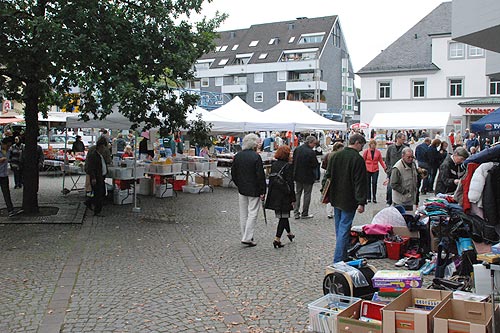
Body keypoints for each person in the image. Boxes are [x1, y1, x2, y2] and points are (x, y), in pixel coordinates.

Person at [327, 134, 367, 263]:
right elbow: (360, 182)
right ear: (357, 143)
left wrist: (326, 194)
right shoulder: (357, 159)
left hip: (335, 197)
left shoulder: (336, 156)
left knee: (340, 229)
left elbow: (328, 177)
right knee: (344, 229)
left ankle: (342, 255)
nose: (362, 148)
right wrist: (361, 202)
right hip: (349, 199)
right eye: (362, 145)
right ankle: (338, 260)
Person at [231, 133, 267, 247]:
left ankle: (245, 235)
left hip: (242, 188)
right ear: (254, 144)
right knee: (253, 213)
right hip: (254, 189)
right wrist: (263, 190)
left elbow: (234, 173)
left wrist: (239, 184)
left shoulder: (238, 156)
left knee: (243, 213)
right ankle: (247, 237)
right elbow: (260, 176)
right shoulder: (256, 157)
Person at [264, 145, 296, 248]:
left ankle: (289, 233)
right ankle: (277, 239)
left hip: (274, 194)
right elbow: (290, 183)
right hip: (284, 195)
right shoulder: (288, 166)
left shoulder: (274, 164)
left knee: (283, 215)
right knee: (283, 217)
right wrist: (293, 198)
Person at [292, 135, 319, 219]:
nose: (315, 145)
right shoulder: (311, 152)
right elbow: (315, 165)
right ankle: (305, 213)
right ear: (310, 142)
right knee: (307, 194)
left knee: (298, 194)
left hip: (297, 175)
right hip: (308, 176)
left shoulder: (297, 149)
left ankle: (296, 213)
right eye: (314, 143)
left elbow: (293, 161)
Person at [85, 137, 109, 216]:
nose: (104, 149)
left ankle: (89, 202)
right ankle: (97, 211)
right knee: (99, 194)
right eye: (103, 147)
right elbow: (91, 168)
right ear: (100, 147)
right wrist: (93, 177)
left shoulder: (99, 155)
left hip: (100, 177)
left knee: (101, 193)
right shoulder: (94, 155)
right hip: (97, 177)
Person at [390, 147, 419, 212]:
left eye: (412, 157)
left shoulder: (413, 164)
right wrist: (405, 192)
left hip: (410, 200)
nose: (410, 159)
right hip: (400, 201)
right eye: (408, 157)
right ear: (403, 156)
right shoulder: (397, 168)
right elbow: (393, 184)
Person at [321, 142, 344, 218]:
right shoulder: (338, 156)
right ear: (338, 148)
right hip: (335, 177)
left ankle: (329, 212)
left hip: (328, 177)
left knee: (329, 195)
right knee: (333, 195)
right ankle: (333, 212)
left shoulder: (328, 154)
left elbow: (324, 164)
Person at [385, 132, 407, 205]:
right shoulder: (390, 148)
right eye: (402, 139)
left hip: (401, 170)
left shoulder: (405, 148)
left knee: (399, 187)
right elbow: (387, 159)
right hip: (391, 170)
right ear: (397, 139)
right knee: (390, 188)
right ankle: (389, 201)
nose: (404, 140)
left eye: (404, 139)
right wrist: (388, 169)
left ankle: (398, 202)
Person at [362, 139, 386, 203]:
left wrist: (384, 167)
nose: (373, 145)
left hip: (375, 169)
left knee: (374, 183)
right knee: (368, 183)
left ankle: (374, 197)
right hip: (367, 169)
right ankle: (368, 197)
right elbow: (363, 160)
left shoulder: (378, 152)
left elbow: (381, 161)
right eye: (372, 144)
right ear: (370, 145)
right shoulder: (366, 151)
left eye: (374, 144)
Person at [0, 139, 16, 217]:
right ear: (2, 144)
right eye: (7, 145)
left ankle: (10, 209)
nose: (8, 147)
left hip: (4, 175)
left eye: (9, 146)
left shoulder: (9, 152)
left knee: (6, 193)